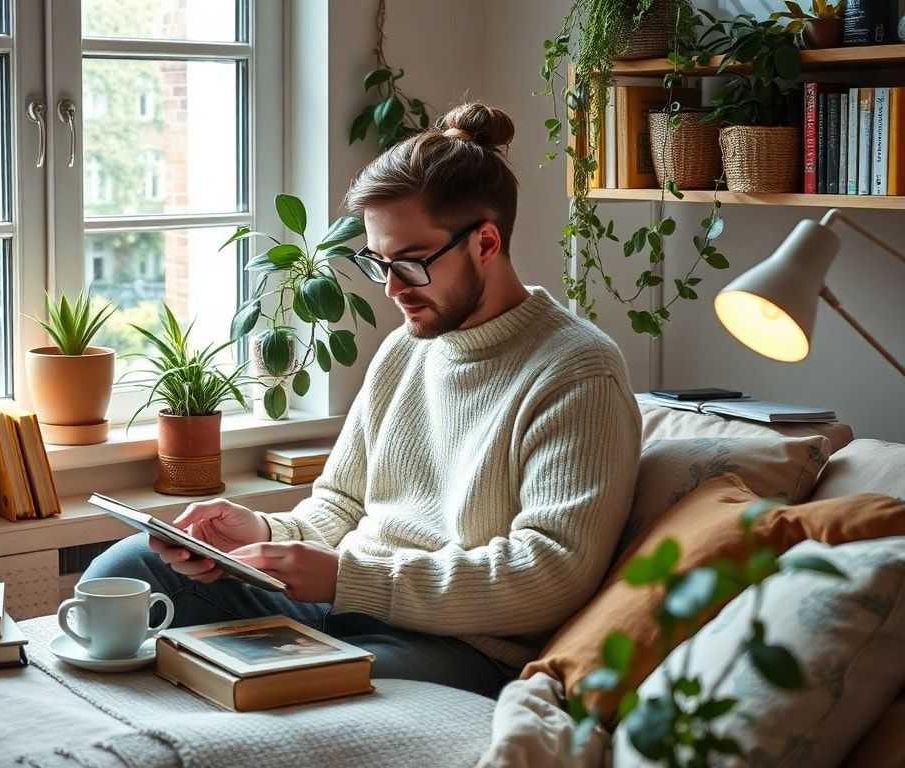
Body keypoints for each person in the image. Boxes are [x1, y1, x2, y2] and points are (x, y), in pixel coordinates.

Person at [82, 101, 641, 697]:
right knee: (129, 567)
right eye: (380, 263)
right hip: (341, 605)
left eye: (411, 263)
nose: (394, 289)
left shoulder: (577, 370)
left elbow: (551, 571)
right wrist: (261, 534)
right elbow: (340, 506)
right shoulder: (407, 348)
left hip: (456, 645)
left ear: (485, 242)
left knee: (293, 688)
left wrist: (351, 579)